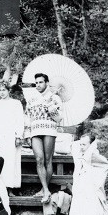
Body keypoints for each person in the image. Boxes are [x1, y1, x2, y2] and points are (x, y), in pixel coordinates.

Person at [26, 73, 62, 203]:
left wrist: (51, 107)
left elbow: (59, 118)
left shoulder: (55, 98)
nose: (38, 85)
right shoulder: (31, 99)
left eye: (41, 82)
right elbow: (27, 117)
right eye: (36, 83)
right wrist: (27, 133)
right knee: (39, 159)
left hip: (49, 129)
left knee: (48, 159)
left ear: (47, 83)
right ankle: (46, 190)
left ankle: (43, 189)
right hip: (35, 130)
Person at [0, 81, 24, 195]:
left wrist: (18, 136)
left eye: (4, 90)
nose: (2, 92)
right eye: (0, 90)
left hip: (10, 135)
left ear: (9, 90)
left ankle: (10, 188)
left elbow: (19, 120)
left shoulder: (16, 103)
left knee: (10, 161)